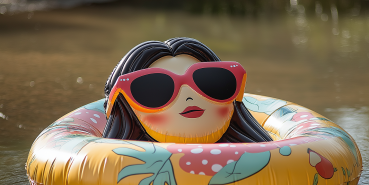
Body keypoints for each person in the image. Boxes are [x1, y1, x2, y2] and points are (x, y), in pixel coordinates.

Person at [103, 37, 272, 143]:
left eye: (209, 81)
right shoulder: (107, 168)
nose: (189, 97)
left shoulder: (275, 158)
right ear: (124, 107)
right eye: (155, 87)